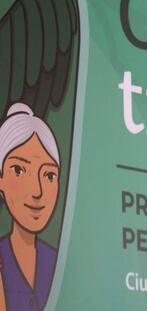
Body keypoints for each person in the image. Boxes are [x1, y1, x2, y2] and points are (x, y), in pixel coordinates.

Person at [0, 103, 60, 311]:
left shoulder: (59, 260)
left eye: (49, 175)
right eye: (19, 170)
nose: (37, 191)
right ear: (1, 179)